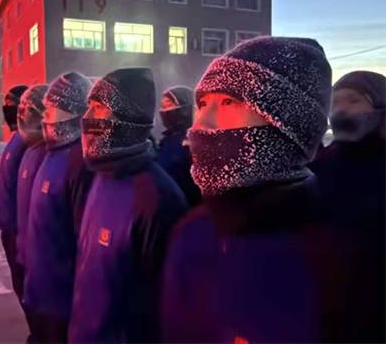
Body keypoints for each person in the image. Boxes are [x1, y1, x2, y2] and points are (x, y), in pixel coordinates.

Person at [161, 37, 336, 342]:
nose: (201, 124)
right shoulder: (193, 232)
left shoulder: (336, 257)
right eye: (203, 104)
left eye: (229, 102)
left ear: (287, 123)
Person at [69, 67, 188, 343]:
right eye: (89, 106)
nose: (86, 117)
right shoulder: (100, 176)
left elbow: (165, 305)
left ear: (125, 119)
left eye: (99, 108)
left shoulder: (155, 198)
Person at [310, 70, 385, 342]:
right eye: (335, 103)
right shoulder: (317, 170)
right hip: (324, 317)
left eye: (353, 101)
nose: (341, 111)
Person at [24, 72, 93, 343]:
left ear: (72, 111)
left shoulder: (79, 163)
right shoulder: (51, 153)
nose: (43, 115)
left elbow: (83, 244)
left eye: (51, 107)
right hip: (41, 290)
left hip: (62, 302)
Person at [0, 85, 28, 299]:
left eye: (12, 104)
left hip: (20, 229)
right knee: (19, 282)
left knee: (26, 285)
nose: (7, 109)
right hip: (9, 226)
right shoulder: (16, 140)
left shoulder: (28, 142)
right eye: (5, 104)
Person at [14, 84, 48, 298]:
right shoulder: (29, 149)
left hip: (46, 259)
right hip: (25, 245)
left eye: (25, 108)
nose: (18, 112)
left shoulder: (50, 155)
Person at [156, 86, 201, 206]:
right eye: (163, 106)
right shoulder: (165, 141)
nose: (164, 111)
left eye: (169, 105)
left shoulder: (197, 140)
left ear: (185, 108)